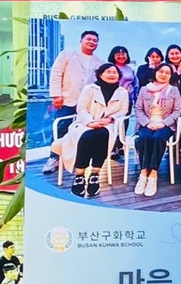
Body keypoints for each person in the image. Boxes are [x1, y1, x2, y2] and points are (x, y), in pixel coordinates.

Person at [55, 60, 129, 198]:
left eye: (115, 72)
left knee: (103, 134)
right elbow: (81, 108)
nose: (112, 74)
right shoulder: (89, 89)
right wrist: (90, 122)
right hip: (85, 123)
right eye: (108, 72)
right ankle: (80, 175)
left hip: (108, 124)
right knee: (87, 135)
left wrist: (109, 119)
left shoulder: (122, 92)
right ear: (100, 74)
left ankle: (95, 173)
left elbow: (123, 111)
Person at [45, 29, 101, 173]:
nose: (92, 42)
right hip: (68, 98)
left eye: (95, 40)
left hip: (88, 102)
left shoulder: (99, 62)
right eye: (89, 39)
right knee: (61, 127)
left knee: (84, 129)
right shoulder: (67, 55)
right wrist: (56, 95)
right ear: (81, 41)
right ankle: (54, 157)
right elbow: (56, 73)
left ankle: (77, 157)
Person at [133, 61, 181, 196]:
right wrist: (147, 123)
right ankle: (144, 172)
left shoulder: (173, 90)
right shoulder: (144, 89)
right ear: (155, 73)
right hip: (147, 122)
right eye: (161, 71)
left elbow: (177, 111)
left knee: (158, 138)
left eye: (167, 73)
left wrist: (163, 123)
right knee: (144, 137)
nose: (164, 75)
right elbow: (138, 109)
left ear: (171, 76)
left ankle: (153, 173)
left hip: (165, 124)